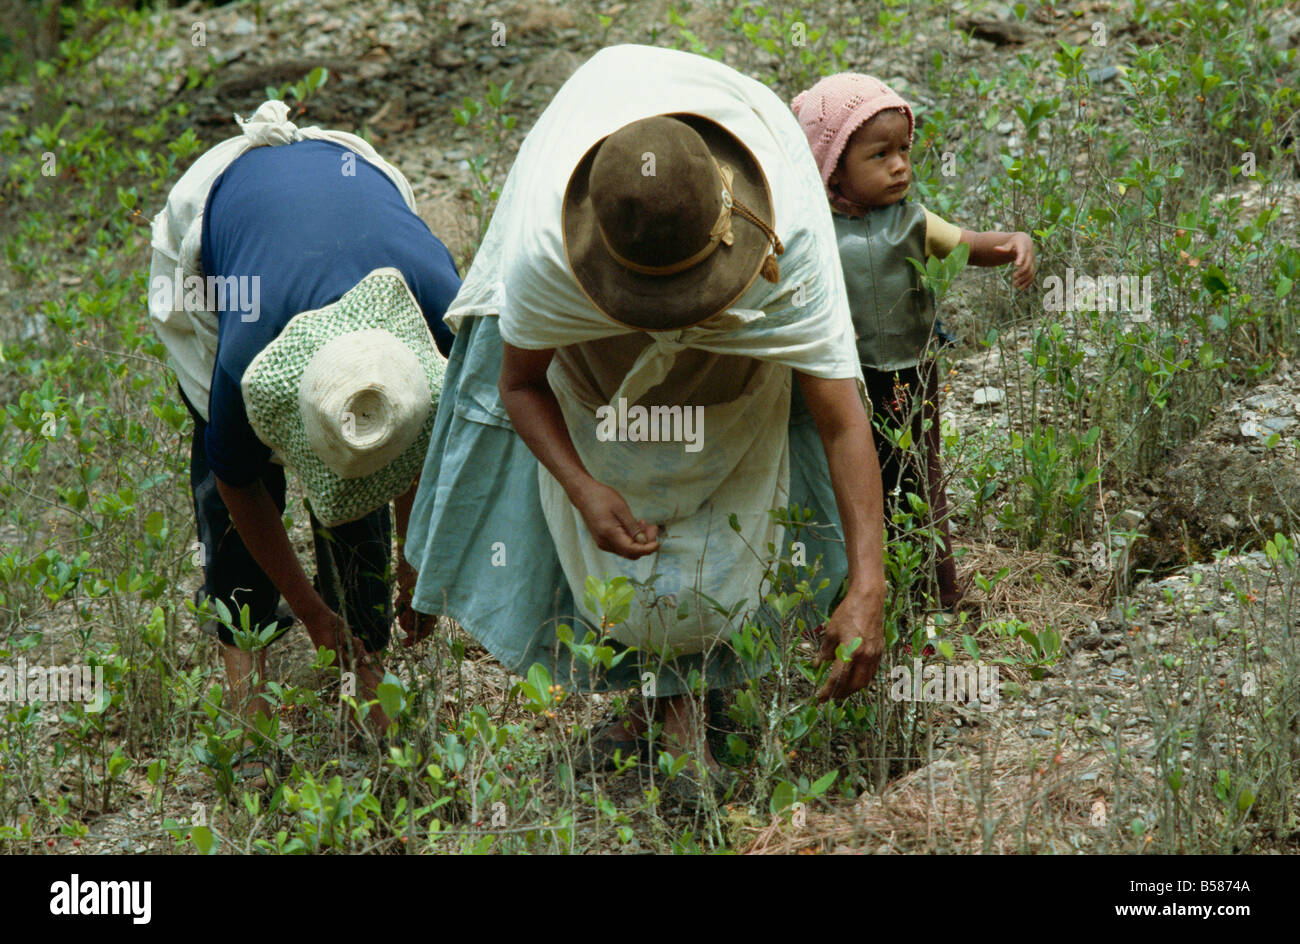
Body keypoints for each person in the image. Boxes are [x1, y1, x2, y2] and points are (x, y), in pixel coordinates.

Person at [404, 46, 887, 800]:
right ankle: (655, 703)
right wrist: (582, 485)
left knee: (738, 487)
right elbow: (521, 385)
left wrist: (868, 587)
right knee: (612, 506)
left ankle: (698, 700)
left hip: (746, 227)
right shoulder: (542, 255)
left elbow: (839, 422)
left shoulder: (786, 245)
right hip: (579, 287)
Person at [148, 102, 460, 779]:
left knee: (366, 451)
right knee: (224, 461)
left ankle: (367, 657)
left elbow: (416, 442)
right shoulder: (241, 359)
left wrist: (415, 565)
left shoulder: (441, 308)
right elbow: (237, 483)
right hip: (209, 228)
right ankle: (247, 667)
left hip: (351, 175)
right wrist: (312, 611)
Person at [792, 73, 1036, 616]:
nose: (900, 165)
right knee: (845, 484)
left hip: (909, 377)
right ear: (831, 164)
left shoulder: (914, 223)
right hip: (841, 383)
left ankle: (933, 593)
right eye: (879, 155)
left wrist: (1013, 243)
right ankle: (847, 593)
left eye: (904, 150)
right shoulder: (812, 234)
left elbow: (969, 246)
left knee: (916, 480)